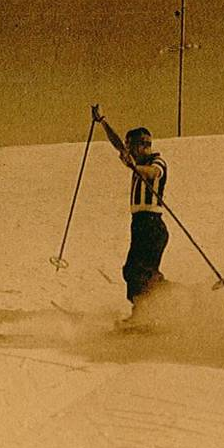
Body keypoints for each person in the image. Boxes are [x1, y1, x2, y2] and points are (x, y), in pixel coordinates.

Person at [92, 106, 169, 321]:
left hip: (152, 225)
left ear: (143, 144)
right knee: (134, 271)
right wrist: (102, 122)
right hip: (140, 223)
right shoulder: (137, 160)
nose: (128, 149)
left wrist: (136, 167)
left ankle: (144, 314)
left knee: (140, 272)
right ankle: (175, 298)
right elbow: (117, 144)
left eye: (131, 145)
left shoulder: (156, 161)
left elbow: (154, 173)